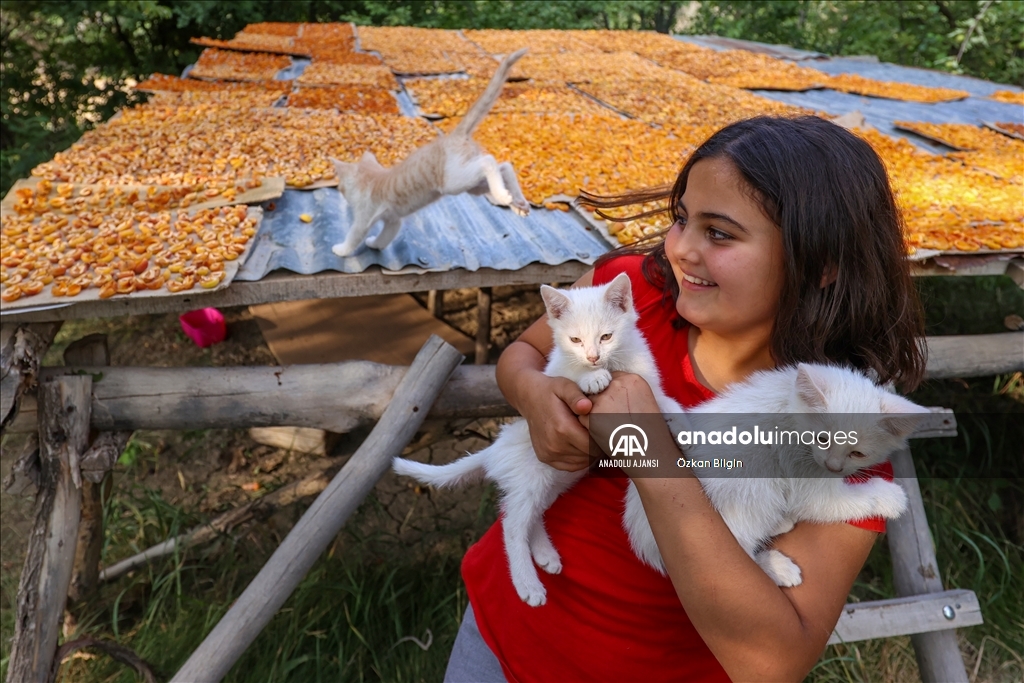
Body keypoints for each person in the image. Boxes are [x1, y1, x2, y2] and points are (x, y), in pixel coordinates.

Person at [445, 116, 926, 683]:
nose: (680, 249)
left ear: (822, 264)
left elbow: (772, 664)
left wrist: (648, 452)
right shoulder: (632, 294)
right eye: (681, 219)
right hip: (498, 636)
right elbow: (523, 354)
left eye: (719, 233)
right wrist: (537, 396)